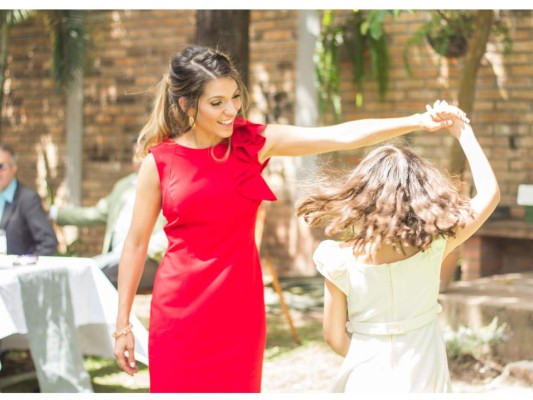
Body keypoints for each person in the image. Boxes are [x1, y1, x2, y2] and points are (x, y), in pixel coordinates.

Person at [112, 45, 468, 393]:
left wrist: (418, 121)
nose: (231, 111)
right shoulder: (158, 163)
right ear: (187, 104)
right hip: (179, 312)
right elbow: (136, 242)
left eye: (235, 97)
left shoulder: (253, 142)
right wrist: (122, 324)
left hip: (239, 308)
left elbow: (338, 135)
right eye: (216, 103)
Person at [295, 104, 499, 392]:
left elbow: (333, 336)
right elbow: (489, 192)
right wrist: (462, 130)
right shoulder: (435, 246)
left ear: (362, 195)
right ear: (422, 195)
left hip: (366, 372)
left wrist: (367, 359)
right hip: (424, 368)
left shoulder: (337, 259)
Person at [49, 140, 167, 291]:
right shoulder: (123, 186)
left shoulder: (165, 186)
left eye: (143, 154)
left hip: (148, 259)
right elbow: (94, 214)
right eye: (135, 155)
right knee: (87, 269)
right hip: (115, 256)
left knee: (92, 273)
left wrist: (141, 248)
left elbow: (169, 233)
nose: (138, 160)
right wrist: (55, 213)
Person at [0, 144, 58, 256]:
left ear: (14, 168)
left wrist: (25, 264)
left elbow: (48, 242)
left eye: (2, 166)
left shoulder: (28, 199)